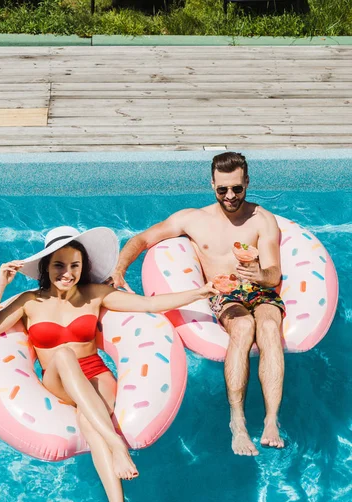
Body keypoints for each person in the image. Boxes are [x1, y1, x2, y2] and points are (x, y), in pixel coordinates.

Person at [0, 226, 216, 502]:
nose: (67, 273)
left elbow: (149, 305)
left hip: (96, 374)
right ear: (46, 267)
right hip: (58, 379)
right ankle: (117, 444)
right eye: (59, 265)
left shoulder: (95, 294)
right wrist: (1, 284)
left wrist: (199, 292)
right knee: (62, 354)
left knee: (91, 422)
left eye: (74, 265)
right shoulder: (30, 302)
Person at [109, 152, 285, 458]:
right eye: (222, 190)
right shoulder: (193, 219)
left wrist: (258, 273)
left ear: (246, 182)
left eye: (237, 189)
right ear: (212, 184)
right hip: (225, 292)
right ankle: (238, 421)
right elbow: (141, 239)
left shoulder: (262, 220)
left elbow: (273, 274)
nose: (230, 196)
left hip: (259, 288)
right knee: (243, 327)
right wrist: (120, 268)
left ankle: (271, 421)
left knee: (269, 326)